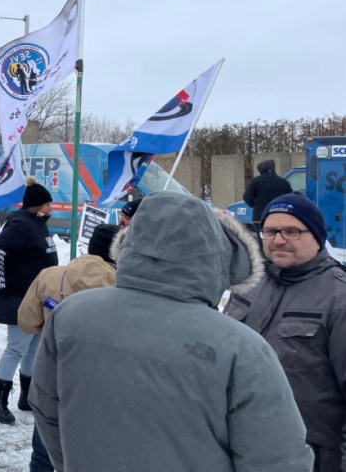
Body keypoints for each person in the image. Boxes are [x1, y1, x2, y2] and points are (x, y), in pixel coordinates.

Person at [30, 191, 314, 471]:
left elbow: (46, 411)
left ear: (132, 243)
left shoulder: (71, 315)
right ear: (217, 256)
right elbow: (278, 460)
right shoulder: (241, 348)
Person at [224, 194, 346, 471]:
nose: (278, 240)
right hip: (238, 445)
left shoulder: (339, 298)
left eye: (292, 231)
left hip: (308, 455)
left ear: (316, 236)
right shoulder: (248, 285)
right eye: (270, 231)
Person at [17, 223, 118, 472]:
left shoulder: (50, 276)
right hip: (103, 383)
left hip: (52, 373)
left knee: (42, 453)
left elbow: (26, 322)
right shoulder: (126, 288)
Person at [0, 177, 57, 424]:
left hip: (37, 299)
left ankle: (27, 396)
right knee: (17, 347)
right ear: (36, 205)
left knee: (34, 347)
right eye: (48, 204)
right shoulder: (20, 224)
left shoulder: (38, 223)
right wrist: (2, 286)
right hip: (18, 298)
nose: (51, 207)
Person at [243, 159, 293, 234]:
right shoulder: (284, 182)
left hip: (260, 217)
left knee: (262, 241)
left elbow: (247, 197)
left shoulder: (256, 181)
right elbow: (291, 199)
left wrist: (253, 204)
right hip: (278, 216)